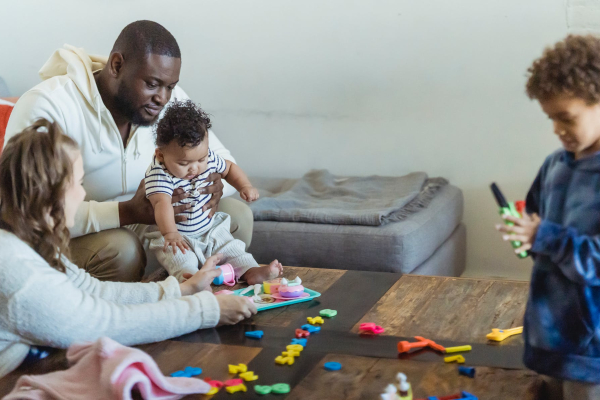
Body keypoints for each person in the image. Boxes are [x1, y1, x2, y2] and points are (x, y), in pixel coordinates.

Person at [0, 119, 257, 379]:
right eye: (78, 183)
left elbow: (93, 290)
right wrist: (207, 311)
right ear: (49, 195)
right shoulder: (17, 269)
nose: (82, 193)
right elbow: (103, 323)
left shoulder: (29, 242)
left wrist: (182, 290)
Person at [4, 20, 254, 283]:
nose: (163, 98)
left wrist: (214, 186)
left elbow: (223, 159)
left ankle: (204, 302)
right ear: (117, 66)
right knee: (121, 247)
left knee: (238, 215)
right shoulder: (49, 106)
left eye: (169, 86)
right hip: (72, 237)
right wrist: (126, 212)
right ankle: (124, 313)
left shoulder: (167, 99)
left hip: (155, 223)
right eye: (152, 84)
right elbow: (26, 213)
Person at [496, 35, 600, 399]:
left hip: (592, 345)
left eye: (566, 118)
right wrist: (524, 235)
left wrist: (546, 238)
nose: (556, 129)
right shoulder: (554, 165)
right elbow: (537, 225)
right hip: (551, 327)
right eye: (550, 118)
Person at [145, 100, 282, 283]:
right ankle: (191, 281)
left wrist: (245, 186)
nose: (194, 168)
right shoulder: (159, 174)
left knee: (232, 249)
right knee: (181, 260)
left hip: (210, 229)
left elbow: (229, 168)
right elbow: (161, 204)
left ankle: (252, 271)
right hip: (178, 236)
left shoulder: (208, 159)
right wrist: (170, 233)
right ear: (161, 155)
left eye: (200, 159)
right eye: (183, 164)